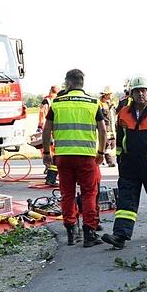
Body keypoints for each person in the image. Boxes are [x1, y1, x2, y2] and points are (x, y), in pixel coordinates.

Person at [100, 77, 147, 249]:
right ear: (131, 94)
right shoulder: (123, 112)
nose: (141, 93)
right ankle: (120, 235)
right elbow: (120, 138)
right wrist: (119, 158)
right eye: (137, 91)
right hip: (129, 163)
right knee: (126, 200)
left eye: (144, 90)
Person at [41, 69, 106, 247]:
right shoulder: (93, 103)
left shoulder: (57, 103)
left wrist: (47, 153)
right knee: (89, 194)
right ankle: (89, 233)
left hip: (63, 157)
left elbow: (47, 129)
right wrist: (100, 153)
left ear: (68, 83)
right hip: (86, 157)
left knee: (67, 194)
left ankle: (71, 231)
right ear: (82, 83)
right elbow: (102, 130)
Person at [37, 86, 60, 185]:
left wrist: (40, 126)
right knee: (55, 153)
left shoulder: (46, 101)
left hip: (48, 128)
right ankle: (50, 174)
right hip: (57, 131)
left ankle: (49, 171)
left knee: (50, 152)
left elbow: (42, 114)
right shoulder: (59, 100)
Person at [99, 86, 118, 167]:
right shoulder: (100, 104)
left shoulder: (110, 103)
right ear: (105, 95)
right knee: (108, 144)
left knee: (112, 144)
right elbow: (102, 116)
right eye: (109, 94)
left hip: (112, 128)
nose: (111, 95)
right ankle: (109, 161)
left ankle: (101, 157)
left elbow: (114, 114)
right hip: (105, 127)